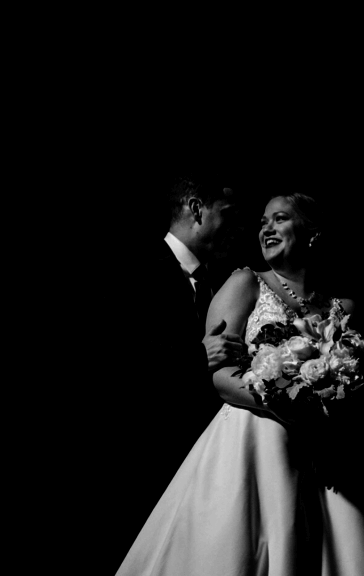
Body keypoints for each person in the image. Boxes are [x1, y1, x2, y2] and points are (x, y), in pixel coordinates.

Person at [116, 193, 364, 575]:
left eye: (280, 219)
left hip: (323, 452)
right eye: (262, 222)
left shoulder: (344, 308)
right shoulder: (245, 282)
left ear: (311, 234)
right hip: (255, 438)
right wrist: (288, 405)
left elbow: (360, 377)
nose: (266, 228)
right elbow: (220, 375)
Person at [110, 177, 248, 560]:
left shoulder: (222, 282)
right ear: (196, 209)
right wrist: (195, 359)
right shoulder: (131, 269)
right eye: (230, 215)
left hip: (203, 460)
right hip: (144, 459)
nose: (237, 227)